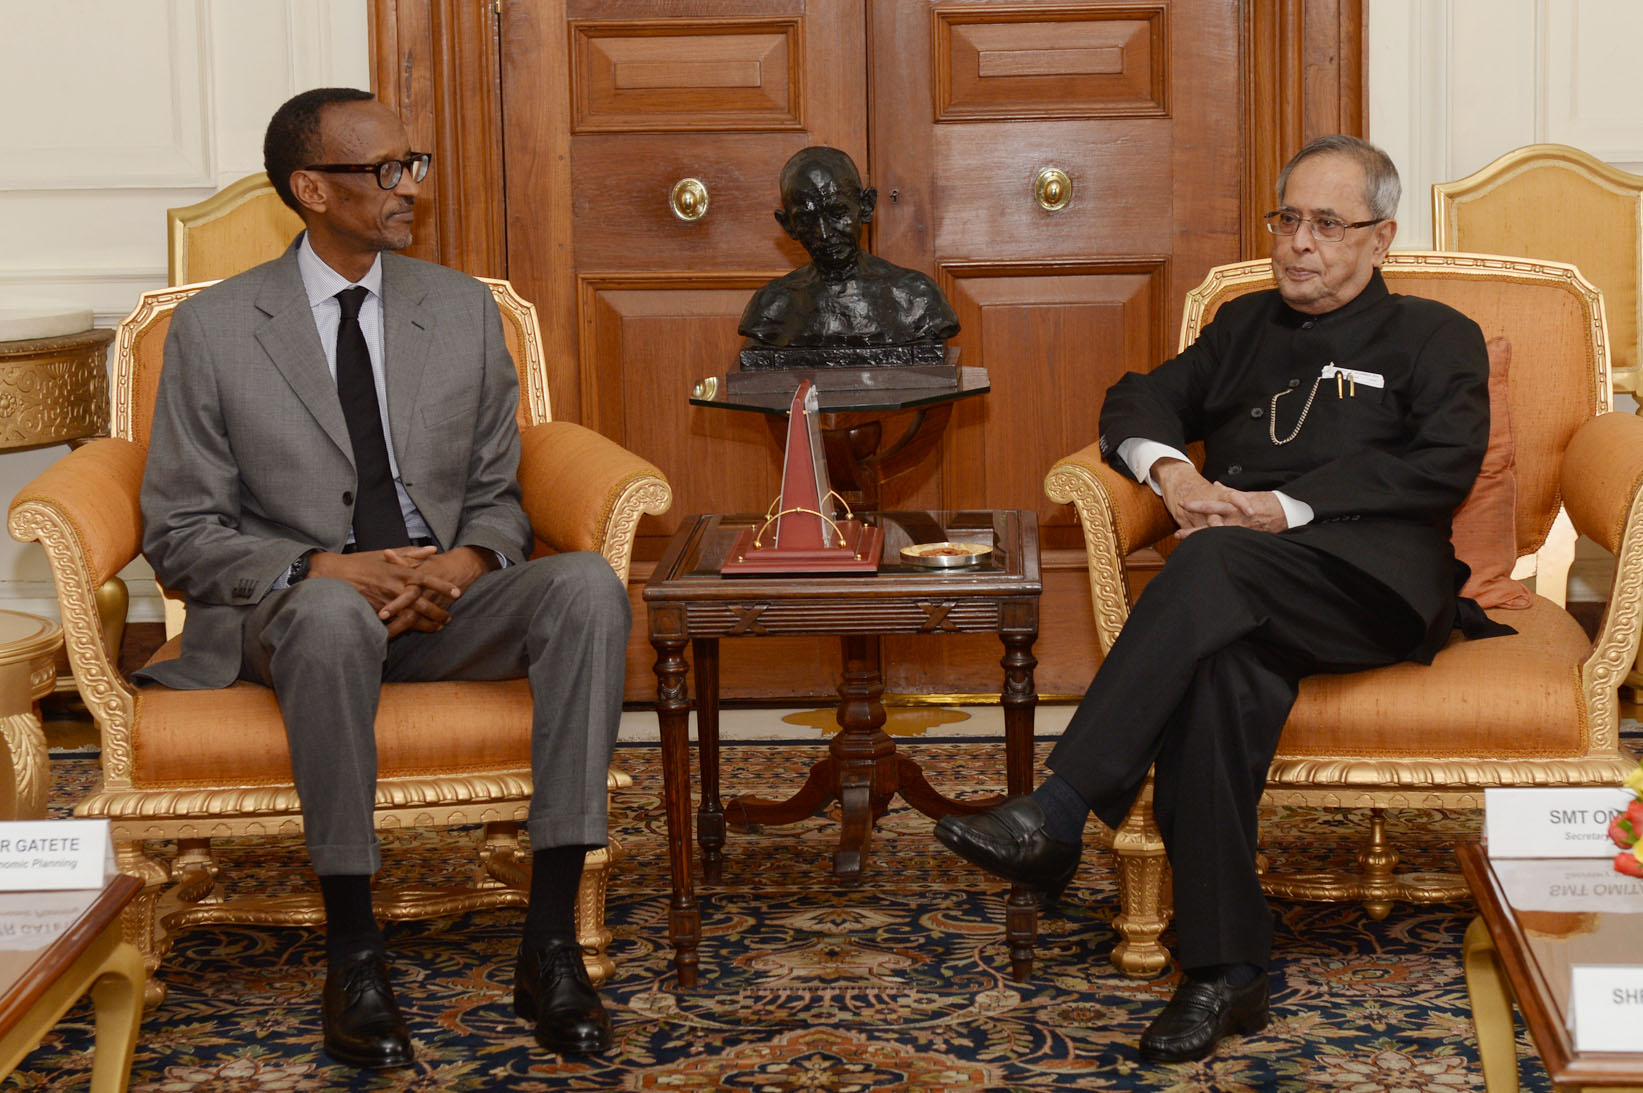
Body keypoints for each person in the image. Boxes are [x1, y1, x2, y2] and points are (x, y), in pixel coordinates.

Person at [934, 135, 1507, 1063]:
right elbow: (1134, 398)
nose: (1298, 243)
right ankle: (1223, 974)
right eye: (1287, 219)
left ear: (1380, 237)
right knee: (1218, 683)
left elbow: (1442, 467)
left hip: (1370, 586)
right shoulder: (1242, 328)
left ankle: (1061, 807)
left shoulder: (1436, 336)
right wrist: (1168, 474)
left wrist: (1278, 508)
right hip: (1242, 593)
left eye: (1327, 223)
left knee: (1210, 563)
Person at [137, 87, 630, 1069]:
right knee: (328, 616)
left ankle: (547, 943)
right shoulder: (217, 331)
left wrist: (461, 559)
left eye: (414, 165)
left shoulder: (459, 312)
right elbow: (179, 532)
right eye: (384, 172)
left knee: (586, 589)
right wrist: (321, 566)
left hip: (447, 604)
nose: (408, 189)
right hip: (298, 613)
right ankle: (355, 954)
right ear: (310, 188)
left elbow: (497, 492)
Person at [739, 146, 959, 348]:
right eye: (807, 220)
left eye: (836, 213)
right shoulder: (772, 308)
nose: (824, 234)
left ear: (865, 207)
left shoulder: (916, 299)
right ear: (789, 225)